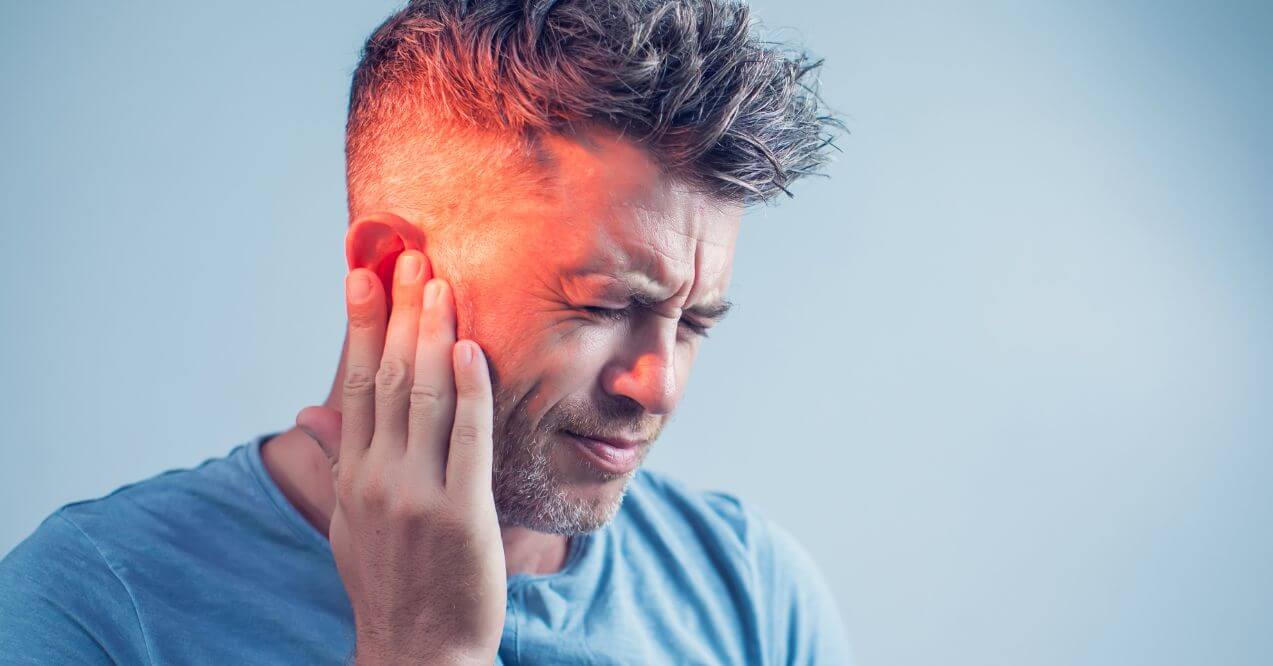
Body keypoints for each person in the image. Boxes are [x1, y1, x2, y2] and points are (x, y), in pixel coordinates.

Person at [0, 0, 850, 663]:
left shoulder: (751, 592)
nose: (657, 384)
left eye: (693, 321)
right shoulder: (94, 609)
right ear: (390, 269)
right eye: (600, 306)